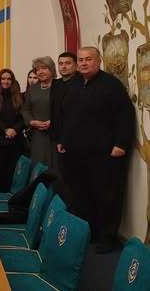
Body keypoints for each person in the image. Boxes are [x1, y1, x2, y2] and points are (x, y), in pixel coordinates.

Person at [57, 47, 135, 253]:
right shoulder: (74, 84)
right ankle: (87, 234)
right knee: (80, 195)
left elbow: (125, 116)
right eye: (81, 60)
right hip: (74, 153)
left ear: (98, 61)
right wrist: (62, 140)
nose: (83, 63)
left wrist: (121, 144)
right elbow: (66, 116)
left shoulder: (111, 85)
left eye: (88, 59)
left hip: (103, 154)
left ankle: (107, 238)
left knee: (106, 196)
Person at [0, 69, 25, 192]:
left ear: (12, 81)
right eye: (3, 79)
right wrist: (5, 129)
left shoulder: (19, 97)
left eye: (9, 79)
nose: (6, 81)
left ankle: (9, 197)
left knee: (12, 172)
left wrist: (14, 129)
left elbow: (22, 117)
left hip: (15, 140)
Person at [22, 56, 56, 168]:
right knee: (38, 167)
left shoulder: (60, 86)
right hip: (37, 134)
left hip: (56, 133)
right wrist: (32, 122)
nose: (40, 71)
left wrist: (53, 121)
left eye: (44, 68)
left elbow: (67, 110)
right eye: (37, 69)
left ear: (52, 69)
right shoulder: (33, 89)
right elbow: (25, 109)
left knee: (55, 167)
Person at [50, 52, 78, 154]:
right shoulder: (56, 84)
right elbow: (55, 112)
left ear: (76, 65)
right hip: (59, 137)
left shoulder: (82, 82)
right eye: (61, 64)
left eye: (68, 63)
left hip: (78, 137)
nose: (63, 66)